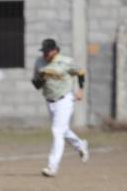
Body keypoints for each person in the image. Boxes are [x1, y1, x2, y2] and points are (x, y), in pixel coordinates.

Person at [31, 38, 89, 178]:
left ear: (55, 51)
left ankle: (52, 167)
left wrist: (80, 90)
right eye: (43, 51)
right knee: (63, 130)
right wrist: (42, 78)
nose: (45, 54)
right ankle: (80, 145)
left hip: (64, 99)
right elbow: (36, 84)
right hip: (49, 101)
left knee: (57, 131)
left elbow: (80, 72)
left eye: (47, 51)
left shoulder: (66, 61)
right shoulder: (39, 62)